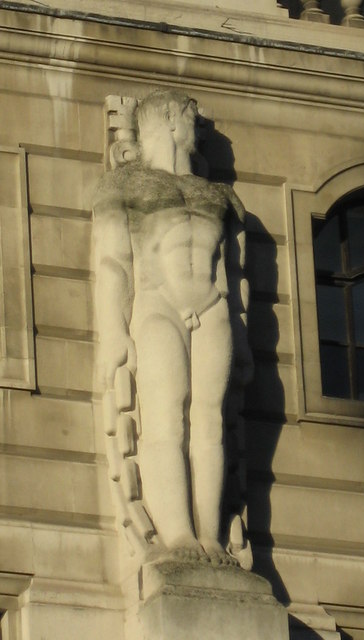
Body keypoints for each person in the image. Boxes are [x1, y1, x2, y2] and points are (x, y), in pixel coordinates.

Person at [93, 89, 251, 564]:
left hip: (213, 305)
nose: (195, 128)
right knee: (164, 416)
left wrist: (242, 338)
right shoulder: (125, 185)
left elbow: (238, 271)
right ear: (165, 122)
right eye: (188, 118)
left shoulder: (221, 195)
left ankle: (209, 534)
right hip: (157, 302)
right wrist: (115, 329)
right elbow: (113, 262)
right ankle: (178, 533)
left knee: (210, 422)